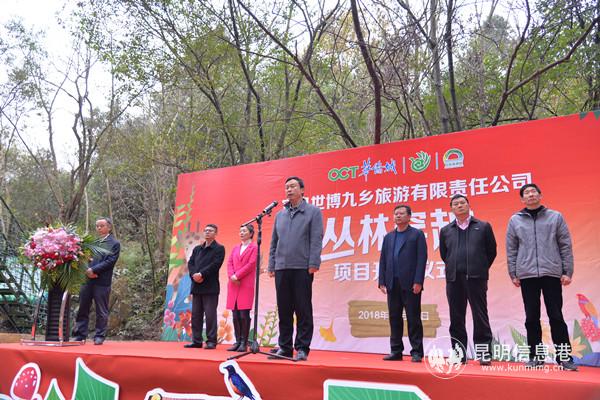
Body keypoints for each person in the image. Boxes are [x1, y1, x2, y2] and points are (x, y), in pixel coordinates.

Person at [506, 183, 577, 371]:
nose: (530, 195)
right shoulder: (515, 220)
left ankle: (564, 358)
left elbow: (565, 244)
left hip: (551, 272)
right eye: (526, 193)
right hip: (527, 274)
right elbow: (511, 248)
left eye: (533, 192)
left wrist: (567, 271)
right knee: (531, 317)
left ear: (540, 195)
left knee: (556, 316)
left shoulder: (555, 217)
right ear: (522, 199)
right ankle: (535, 357)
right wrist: (513, 272)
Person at [268, 176, 323, 361]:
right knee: (284, 310)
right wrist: (272, 264)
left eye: (292, 186)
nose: (289, 190)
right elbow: (274, 242)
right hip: (282, 268)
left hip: (302, 267)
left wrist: (313, 263)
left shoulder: (313, 212)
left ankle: (302, 348)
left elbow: (316, 239)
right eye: (287, 187)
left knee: (302, 309)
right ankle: (284, 347)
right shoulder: (280, 215)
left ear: (302, 190)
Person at [439, 194, 497, 365]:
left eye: (463, 203)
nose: (460, 205)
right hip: (454, 279)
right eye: (456, 204)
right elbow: (444, 254)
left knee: (480, 316)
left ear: (468, 205)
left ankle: (484, 353)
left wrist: (479, 267)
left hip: (476, 278)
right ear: (451, 209)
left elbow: (491, 251)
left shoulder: (483, 226)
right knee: (456, 317)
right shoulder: (446, 230)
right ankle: (459, 354)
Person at [378, 205, 427, 362]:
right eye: (396, 214)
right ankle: (396, 350)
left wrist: (418, 281)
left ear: (409, 216)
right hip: (392, 283)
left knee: (413, 318)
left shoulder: (417, 234)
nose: (398, 216)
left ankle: (417, 352)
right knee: (394, 318)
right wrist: (382, 280)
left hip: (411, 284)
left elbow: (422, 259)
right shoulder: (389, 237)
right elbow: (383, 260)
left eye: (401, 213)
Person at [73, 217, 121, 345]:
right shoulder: (93, 242)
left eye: (102, 226)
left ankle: (99, 335)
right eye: (97, 226)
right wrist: (86, 269)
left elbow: (110, 261)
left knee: (101, 310)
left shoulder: (114, 243)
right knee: (83, 307)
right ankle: (80, 335)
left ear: (109, 227)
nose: (99, 228)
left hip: (102, 281)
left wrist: (94, 270)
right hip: (87, 280)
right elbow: (86, 258)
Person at [184, 224, 225, 350]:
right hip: (197, 286)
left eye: (210, 230)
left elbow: (216, 265)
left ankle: (211, 341)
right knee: (196, 315)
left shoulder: (219, 248)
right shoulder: (197, 249)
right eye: (206, 230)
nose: (207, 232)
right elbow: (190, 263)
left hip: (210, 287)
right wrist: (194, 275)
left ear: (215, 233)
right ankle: (196, 340)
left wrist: (201, 274)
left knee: (210, 315)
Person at [226, 224, 258, 352]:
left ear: (251, 233)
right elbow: (229, 263)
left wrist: (237, 275)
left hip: (245, 284)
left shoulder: (254, 247)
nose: (241, 233)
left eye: (244, 231)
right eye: (240, 231)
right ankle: (237, 341)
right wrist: (232, 276)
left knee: (244, 314)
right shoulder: (235, 248)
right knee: (235, 314)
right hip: (234, 284)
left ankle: (244, 343)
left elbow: (251, 264)